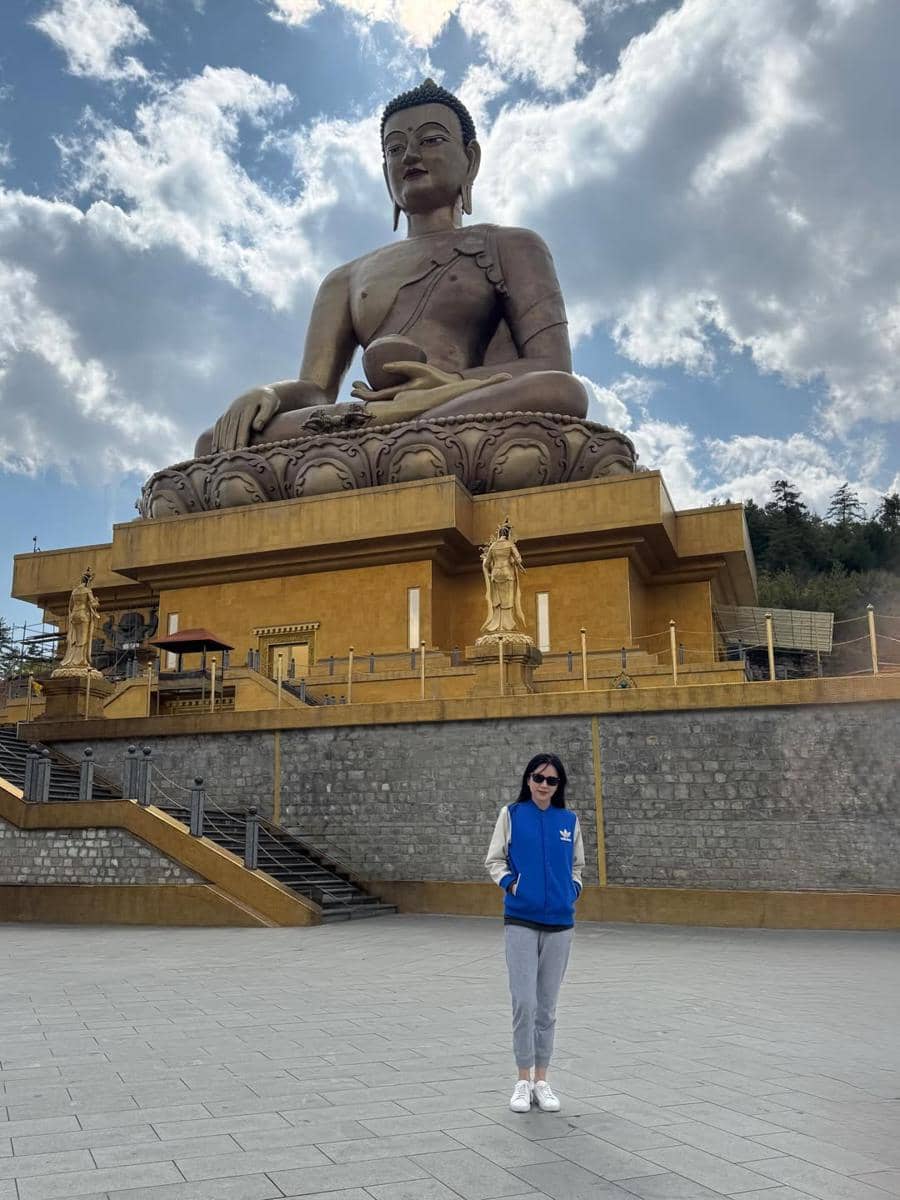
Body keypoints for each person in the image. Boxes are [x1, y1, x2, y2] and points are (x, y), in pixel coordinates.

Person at [197, 79, 587, 456]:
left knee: (559, 392)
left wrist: (448, 384)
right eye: (394, 149)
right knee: (215, 441)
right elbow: (315, 389)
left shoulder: (512, 245)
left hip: (462, 405)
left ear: (471, 160)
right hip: (372, 416)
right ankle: (400, 438)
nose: (410, 156)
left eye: (431, 140)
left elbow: (551, 366)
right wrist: (270, 395)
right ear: (385, 170)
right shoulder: (344, 278)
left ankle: (396, 436)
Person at [485, 753, 585, 1113]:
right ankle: (522, 1080)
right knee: (524, 1003)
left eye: (551, 780)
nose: (544, 785)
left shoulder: (569, 821)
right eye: (538, 778)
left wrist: (571, 891)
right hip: (521, 921)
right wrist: (513, 886)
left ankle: (542, 1080)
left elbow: (577, 866)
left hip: (560, 925)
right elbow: (494, 860)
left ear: (559, 786)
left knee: (547, 1007)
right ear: (528, 780)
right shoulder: (511, 815)